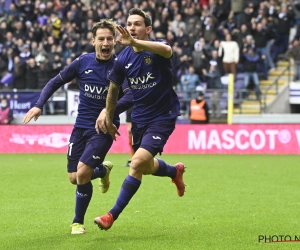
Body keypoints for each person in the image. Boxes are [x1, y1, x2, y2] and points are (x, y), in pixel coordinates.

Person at [23, 19, 133, 235]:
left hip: (104, 127)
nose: (106, 43)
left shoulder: (120, 66)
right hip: (80, 126)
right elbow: (55, 82)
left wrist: (109, 111)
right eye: (101, 39)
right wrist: (38, 105)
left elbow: (131, 95)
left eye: (109, 39)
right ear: (93, 41)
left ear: (115, 42)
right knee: (74, 177)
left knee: (82, 174)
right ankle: (103, 170)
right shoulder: (83, 62)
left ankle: (77, 222)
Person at [94, 8, 186, 231]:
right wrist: (107, 112)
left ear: (148, 29)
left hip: (163, 116)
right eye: (129, 23)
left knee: (135, 164)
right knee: (144, 167)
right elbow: (114, 90)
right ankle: (174, 172)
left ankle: (110, 215)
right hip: (140, 119)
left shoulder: (155, 49)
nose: (132, 27)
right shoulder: (122, 59)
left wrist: (136, 42)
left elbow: (167, 49)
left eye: (137, 24)